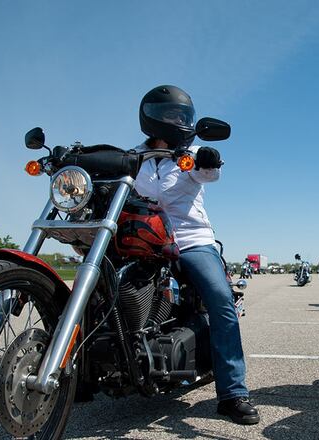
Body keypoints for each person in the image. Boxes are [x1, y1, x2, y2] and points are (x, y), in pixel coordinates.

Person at [132, 85, 259, 425]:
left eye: (181, 116)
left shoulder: (191, 154)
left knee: (220, 301)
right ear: (151, 116)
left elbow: (208, 171)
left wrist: (209, 159)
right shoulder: (132, 157)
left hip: (190, 239)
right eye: (169, 114)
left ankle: (233, 392)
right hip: (144, 240)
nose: (176, 120)